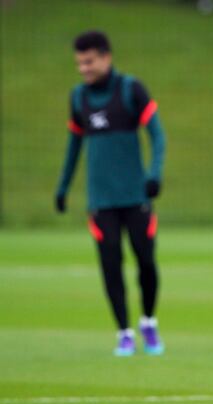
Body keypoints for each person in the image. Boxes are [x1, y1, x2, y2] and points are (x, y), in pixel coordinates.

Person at [55, 31, 166, 357]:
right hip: (101, 201)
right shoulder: (79, 99)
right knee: (110, 264)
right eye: (79, 63)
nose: (84, 68)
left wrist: (154, 174)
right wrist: (63, 188)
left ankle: (148, 321)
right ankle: (124, 332)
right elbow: (74, 145)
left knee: (146, 261)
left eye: (89, 61)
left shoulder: (131, 90)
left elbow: (158, 135)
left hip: (136, 197)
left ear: (106, 57)